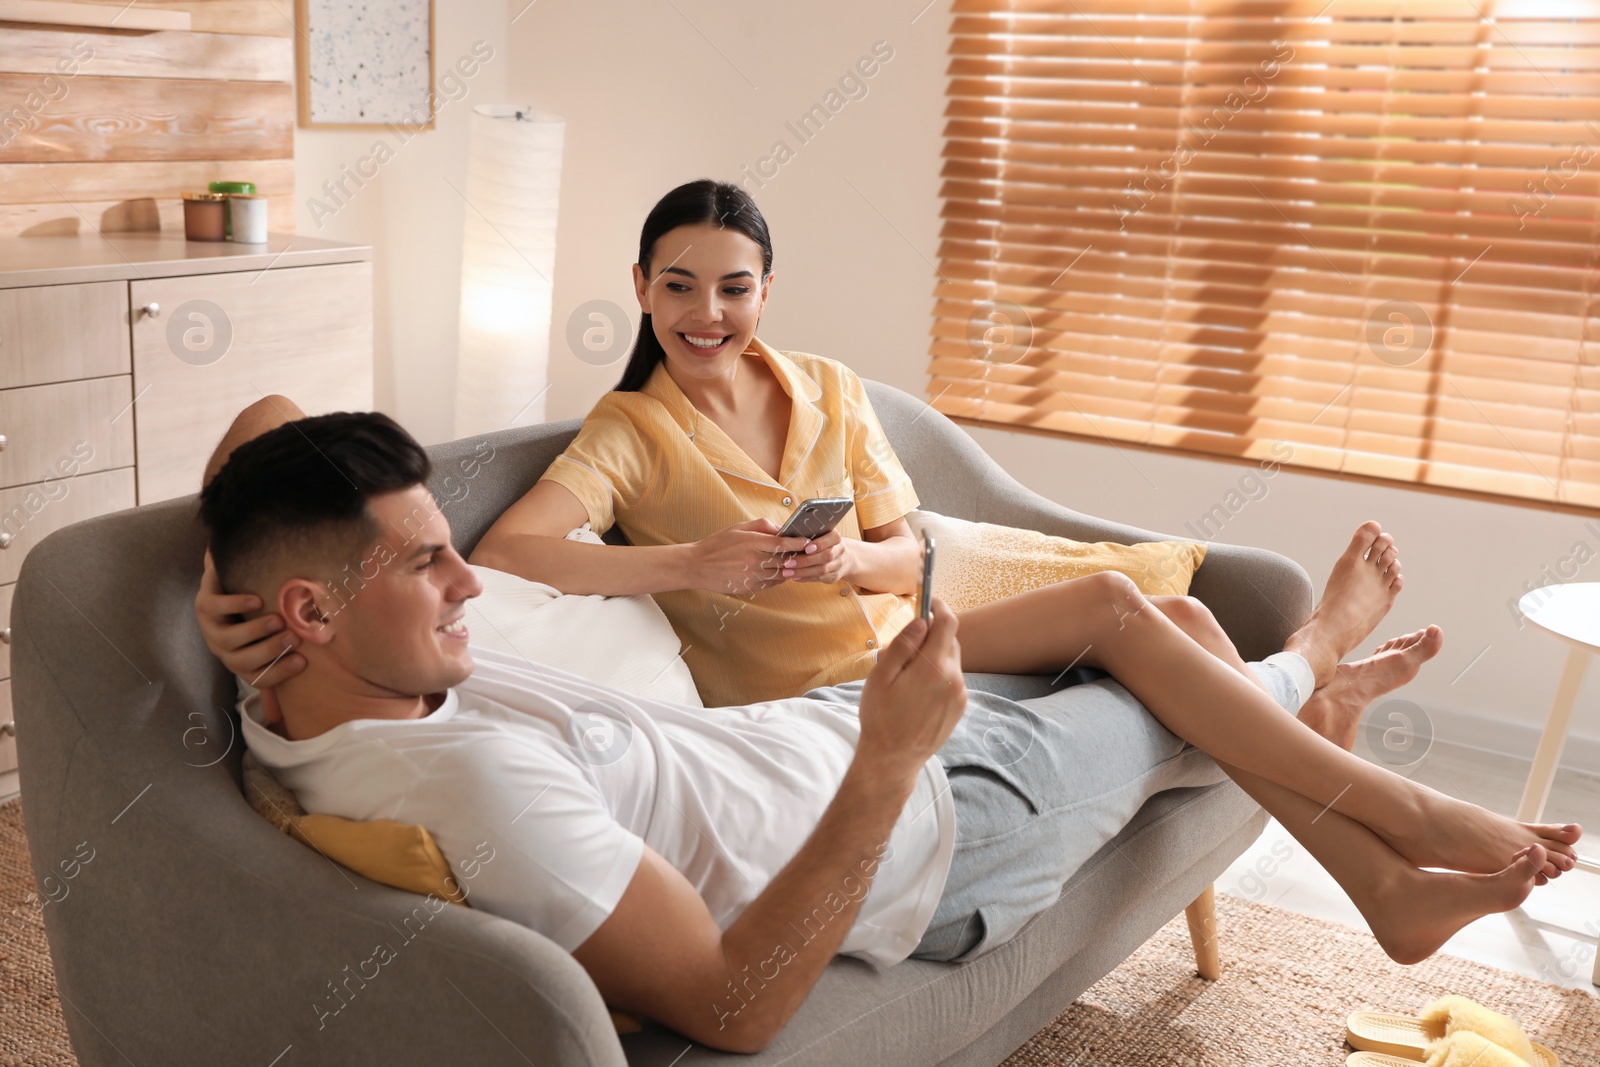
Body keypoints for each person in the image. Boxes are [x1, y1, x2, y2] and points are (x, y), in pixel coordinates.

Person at [197, 402, 1580, 1054]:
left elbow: (264, 426)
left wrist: (222, 585)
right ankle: (1342, 713)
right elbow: (735, 1006)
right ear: (322, 608)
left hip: (827, 722)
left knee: (1116, 600)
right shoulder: (475, 785)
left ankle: (1376, 861)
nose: (470, 579)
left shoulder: (311, 676)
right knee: (1197, 654)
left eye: (454, 548)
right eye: (431, 563)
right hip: (940, 819)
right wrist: (889, 759)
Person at [201, 179, 1443, 757]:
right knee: (1135, 614)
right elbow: (514, 551)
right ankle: (1315, 688)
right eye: (675, 286)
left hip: (902, 636)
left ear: (763, 290)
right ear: (639, 290)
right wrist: (691, 560)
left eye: (730, 287)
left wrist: (855, 554)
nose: (705, 314)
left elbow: (921, 551)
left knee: (1170, 609)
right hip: (802, 709)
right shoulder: (630, 430)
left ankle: (1312, 704)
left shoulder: (831, 389)